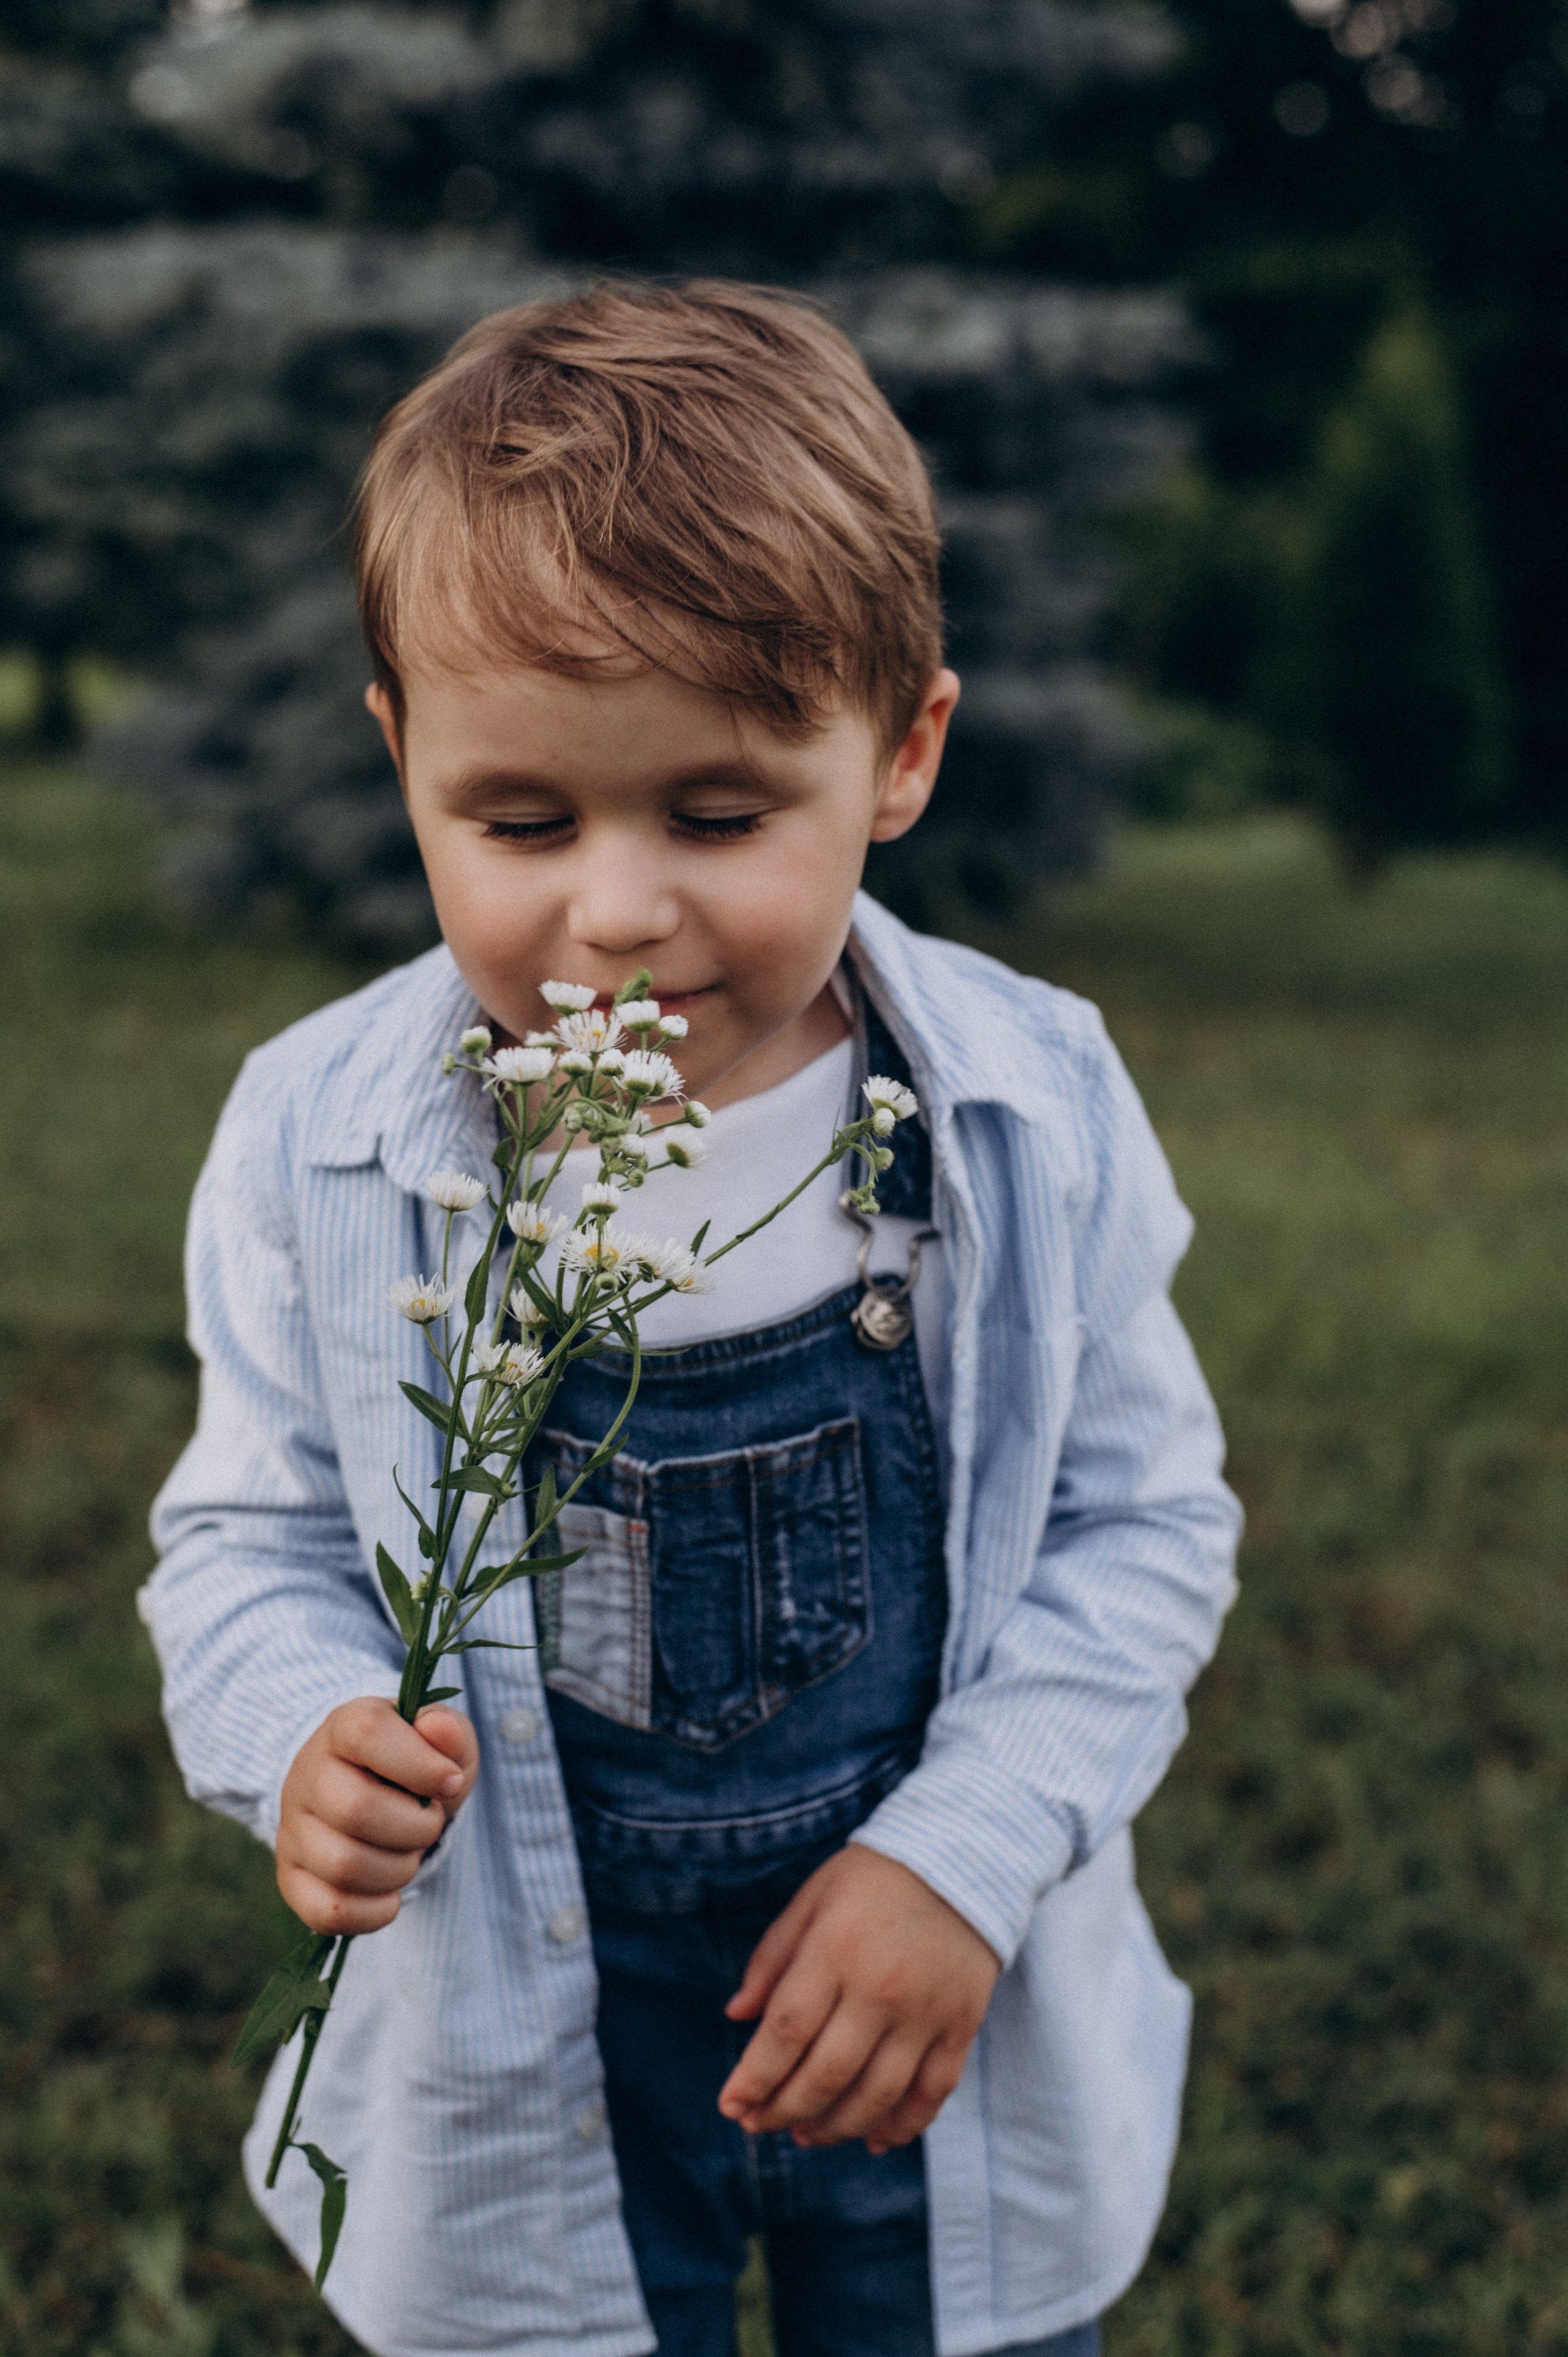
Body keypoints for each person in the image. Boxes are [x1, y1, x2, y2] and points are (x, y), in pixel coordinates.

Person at [142, 280, 1242, 2357]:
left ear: (901, 752)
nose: (619, 911)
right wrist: (295, 1730)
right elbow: (250, 1538)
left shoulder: (1025, 1104)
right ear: (403, 766)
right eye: (522, 821)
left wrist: (966, 1857)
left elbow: (1143, 1526)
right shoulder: (328, 1134)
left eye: (719, 816)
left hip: (928, 1982)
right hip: (525, 2005)